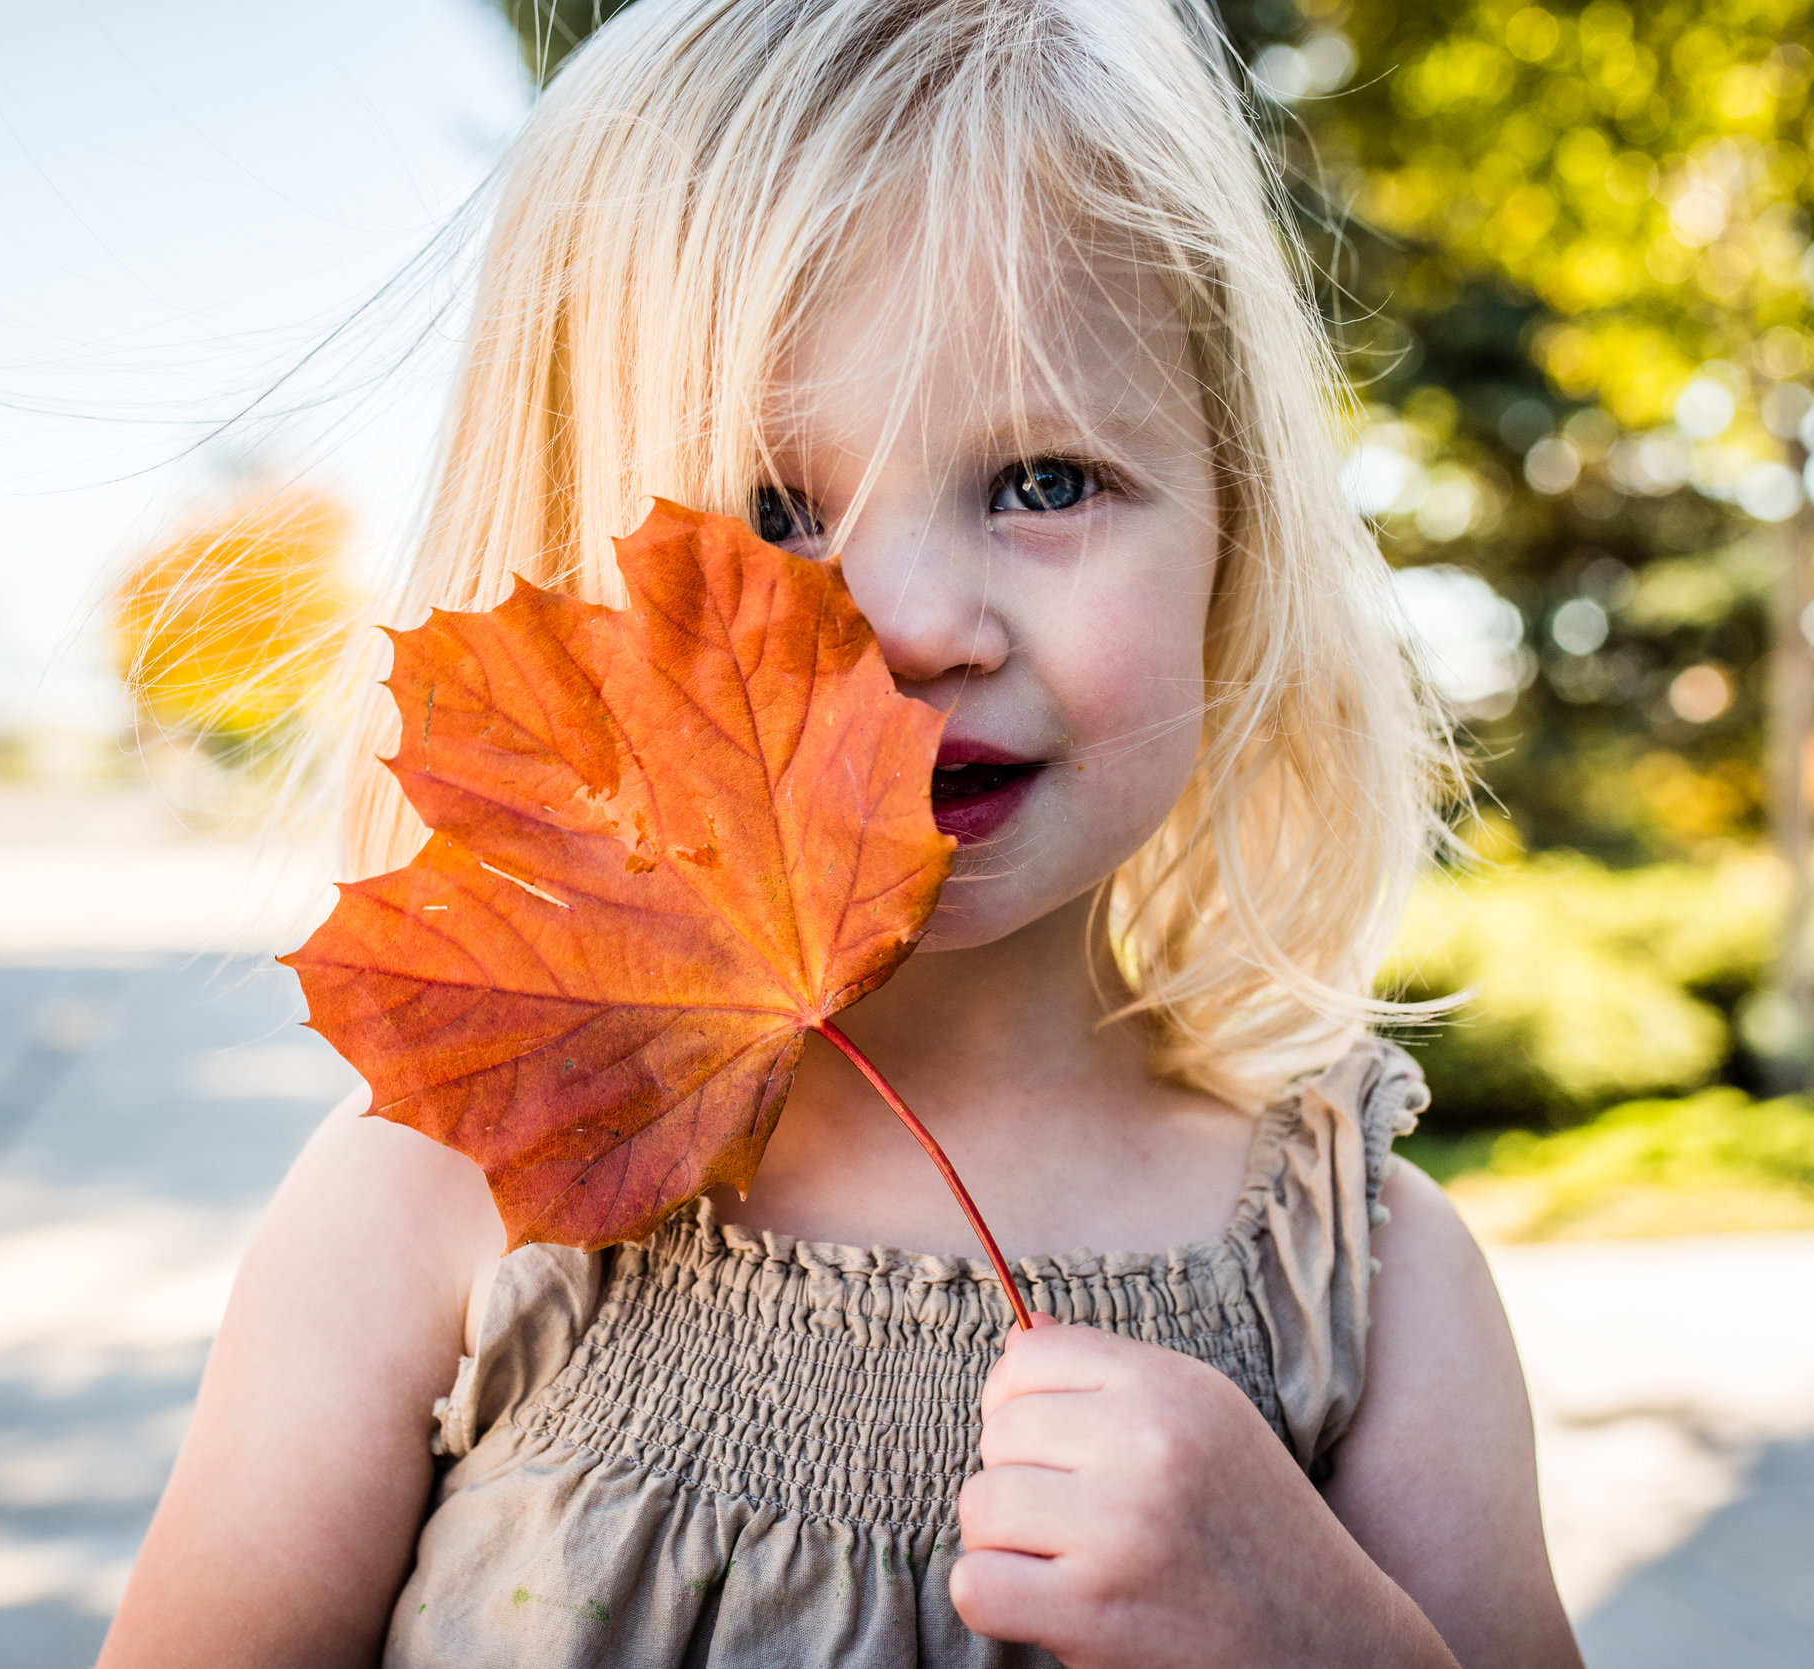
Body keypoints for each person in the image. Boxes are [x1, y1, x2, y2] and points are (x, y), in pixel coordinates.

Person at [99, 1, 1580, 1663]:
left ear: (1236, 532)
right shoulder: (450, 1204)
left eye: (1042, 479)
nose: (921, 621)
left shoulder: (1365, 1282)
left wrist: (1321, 1634)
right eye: (772, 516)